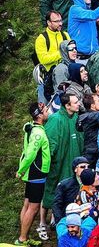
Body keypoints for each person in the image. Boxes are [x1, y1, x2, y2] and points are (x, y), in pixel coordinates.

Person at [42, 93, 84, 222]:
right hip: (58, 165)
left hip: (73, 163)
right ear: (67, 105)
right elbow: (49, 145)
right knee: (51, 191)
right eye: (76, 102)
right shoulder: (55, 119)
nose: (79, 104)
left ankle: (58, 218)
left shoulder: (77, 118)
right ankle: (42, 221)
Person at [15, 103, 50, 246]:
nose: (48, 112)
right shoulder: (38, 133)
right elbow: (30, 155)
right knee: (33, 208)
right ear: (40, 115)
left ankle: (23, 236)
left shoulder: (31, 127)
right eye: (46, 110)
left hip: (32, 172)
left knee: (27, 204)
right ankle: (22, 240)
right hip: (37, 172)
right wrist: (20, 170)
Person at [52, 157, 90, 224]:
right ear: (75, 169)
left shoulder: (92, 184)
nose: (86, 169)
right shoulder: (64, 185)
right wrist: (61, 222)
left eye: (88, 167)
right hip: (68, 220)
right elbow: (56, 206)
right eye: (83, 167)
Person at [76, 94, 99, 166]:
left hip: (97, 152)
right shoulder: (90, 117)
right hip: (92, 154)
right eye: (98, 100)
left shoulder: (95, 116)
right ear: (92, 106)